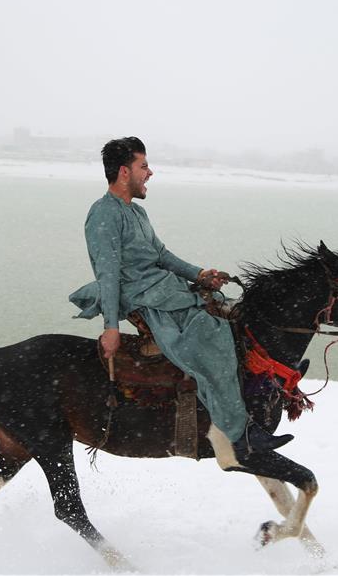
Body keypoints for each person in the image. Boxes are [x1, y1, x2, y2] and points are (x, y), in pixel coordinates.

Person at [69, 137, 292, 455]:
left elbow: (162, 255)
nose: (150, 173)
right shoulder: (103, 214)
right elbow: (106, 273)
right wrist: (111, 327)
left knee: (234, 315)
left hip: (166, 291)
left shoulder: (138, 214)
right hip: (145, 300)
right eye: (143, 166)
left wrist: (200, 274)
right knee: (212, 337)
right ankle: (239, 432)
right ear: (123, 172)